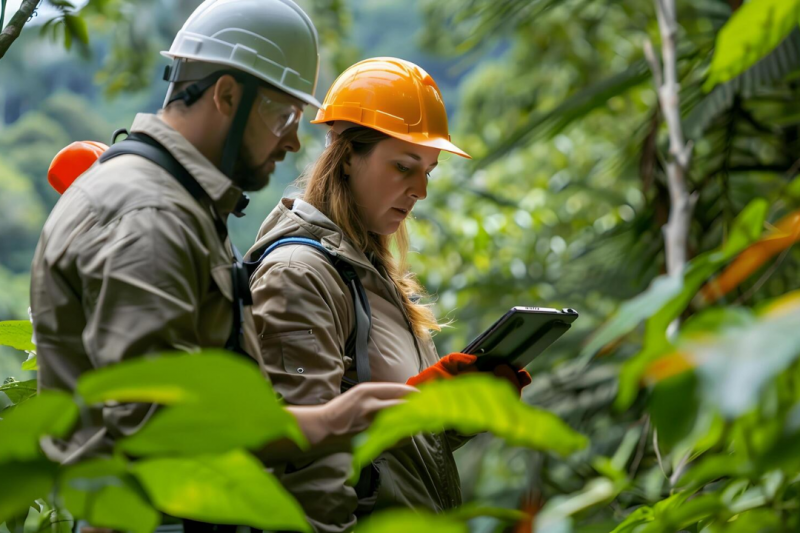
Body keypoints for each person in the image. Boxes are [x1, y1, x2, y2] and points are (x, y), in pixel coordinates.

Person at [29, 0, 413, 470]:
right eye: (285, 118)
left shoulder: (174, 203)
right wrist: (328, 423)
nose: (293, 142)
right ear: (227, 95)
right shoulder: (149, 215)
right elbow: (155, 430)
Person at [246, 57, 532, 532]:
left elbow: (389, 454)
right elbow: (303, 475)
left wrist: (456, 409)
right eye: (403, 166)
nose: (420, 189)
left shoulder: (368, 272)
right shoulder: (300, 276)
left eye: (428, 171)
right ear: (346, 155)